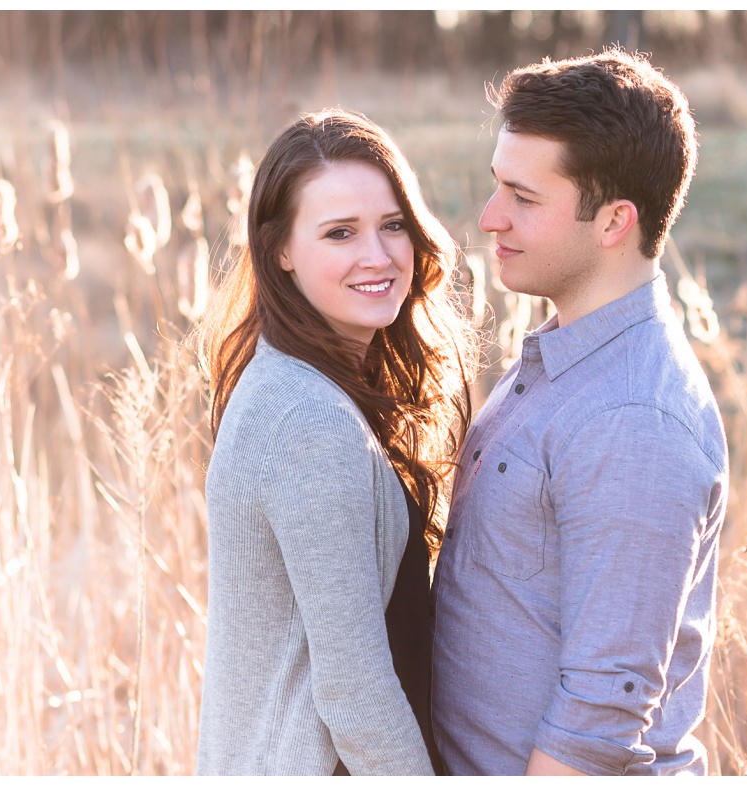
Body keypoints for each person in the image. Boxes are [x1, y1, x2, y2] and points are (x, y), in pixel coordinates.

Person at [432, 49, 728, 776]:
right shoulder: (559, 355)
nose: (489, 217)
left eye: (523, 198)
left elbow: (598, 722)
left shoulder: (635, 420)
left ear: (614, 221)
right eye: (497, 186)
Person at [195, 109, 474, 775]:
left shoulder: (305, 386)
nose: (377, 257)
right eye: (340, 233)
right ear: (281, 251)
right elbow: (354, 693)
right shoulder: (306, 421)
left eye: (393, 225)